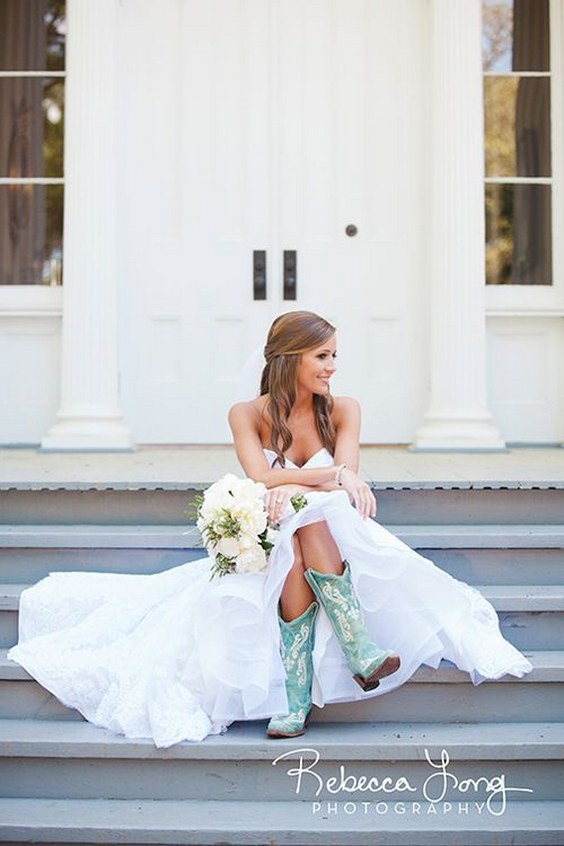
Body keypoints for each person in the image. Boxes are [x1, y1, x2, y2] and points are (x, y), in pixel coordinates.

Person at [8, 310, 533, 748]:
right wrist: (316, 478)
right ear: (290, 359)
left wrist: (300, 484)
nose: (332, 367)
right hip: (286, 530)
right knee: (294, 527)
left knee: (304, 516)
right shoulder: (246, 414)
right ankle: (356, 654)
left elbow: (345, 488)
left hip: (343, 531)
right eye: (322, 356)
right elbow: (263, 478)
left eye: (334, 356)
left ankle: (302, 694)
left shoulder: (344, 409)